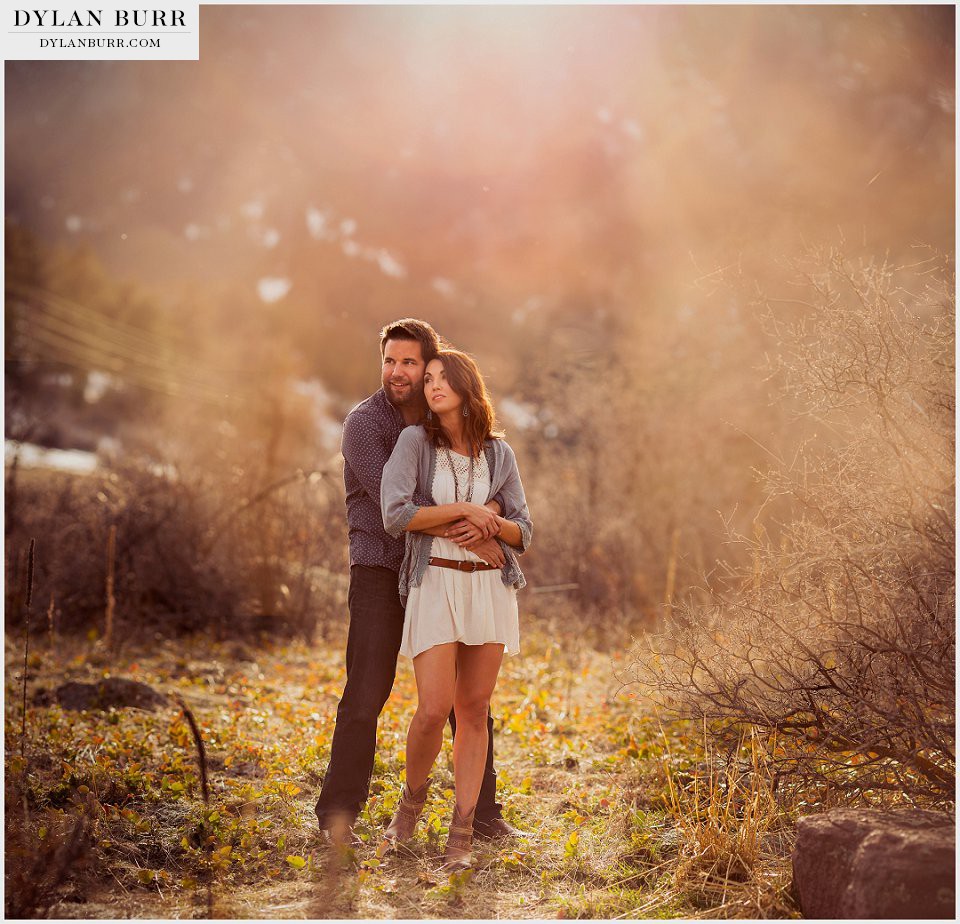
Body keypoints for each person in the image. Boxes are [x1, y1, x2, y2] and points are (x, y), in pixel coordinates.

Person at [314, 319, 521, 845]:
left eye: (410, 362)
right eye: (389, 361)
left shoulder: (442, 420)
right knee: (367, 690)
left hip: (439, 574)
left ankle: (484, 812)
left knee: (467, 701)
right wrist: (481, 518)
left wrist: (491, 507)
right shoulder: (366, 425)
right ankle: (339, 813)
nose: (398, 372)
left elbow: (477, 473)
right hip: (382, 570)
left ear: (432, 366)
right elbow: (403, 506)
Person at [379, 348, 532, 868]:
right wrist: (470, 513)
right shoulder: (414, 442)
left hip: (490, 590)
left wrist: (493, 522)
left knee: (473, 711)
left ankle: (462, 832)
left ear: (468, 386)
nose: (432, 386)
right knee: (432, 709)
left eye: (444, 379)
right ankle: (410, 805)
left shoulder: (499, 454)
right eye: (430, 380)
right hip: (435, 585)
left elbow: (523, 531)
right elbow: (397, 514)